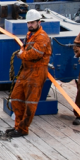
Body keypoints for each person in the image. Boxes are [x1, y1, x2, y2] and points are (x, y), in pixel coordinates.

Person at [6, 9, 52, 137]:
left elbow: (35, 54)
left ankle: (23, 129)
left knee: (30, 104)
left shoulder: (42, 37)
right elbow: (26, 50)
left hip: (37, 72)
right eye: (28, 23)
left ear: (39, 22)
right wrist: (23, 53)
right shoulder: (29, 35)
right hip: (26, 71)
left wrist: (22, 55)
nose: (30, 25)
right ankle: (17, 126)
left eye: (32, 23)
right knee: (16, 98)